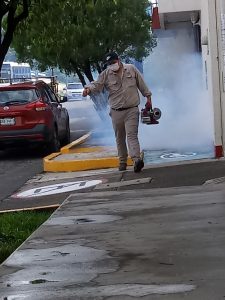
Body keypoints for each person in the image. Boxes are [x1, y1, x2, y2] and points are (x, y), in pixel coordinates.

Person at [83, 51, 153, 172]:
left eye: (113, 62)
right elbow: (97, 85)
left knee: (132, 135)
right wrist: (88, 89)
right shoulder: (106, 74)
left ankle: (136, 160)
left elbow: (142, 84)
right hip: (116, 112)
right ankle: (122, 162)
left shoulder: (130, 69)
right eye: (109, 63)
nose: (112, 65)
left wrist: (148, 98)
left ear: (119, 60)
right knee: (120, 138)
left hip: (132, 109)